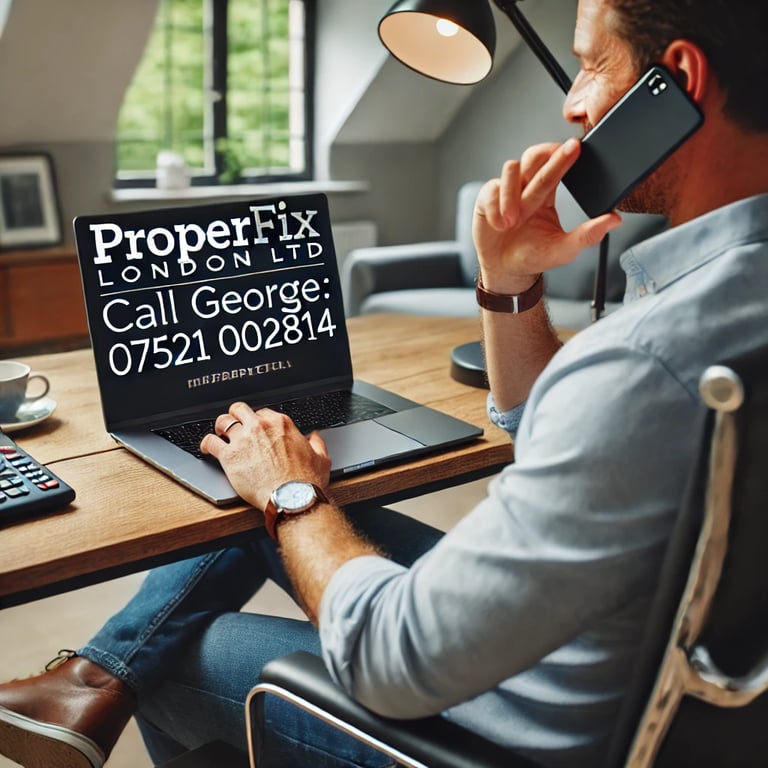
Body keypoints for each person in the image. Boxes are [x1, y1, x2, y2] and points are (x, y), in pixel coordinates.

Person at [2, 0, 768, 766]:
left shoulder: (645, 360)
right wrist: (508, 281)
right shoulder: (722, 304)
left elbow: (390, 660)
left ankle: (104, 679)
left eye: (592, 63)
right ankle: (89, 680)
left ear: (680, 79)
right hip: (599, 636)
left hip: (509, 730)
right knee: (252, 484)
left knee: (190, 642)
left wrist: (291, 494)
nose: (572, 102)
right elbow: (564, 436)